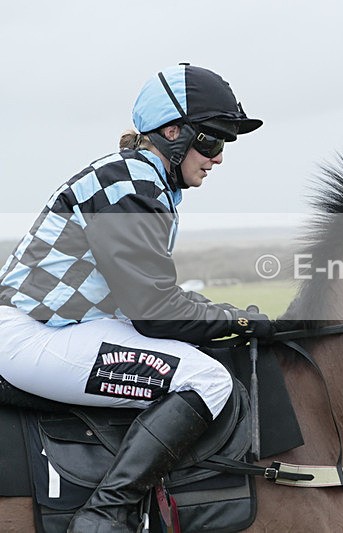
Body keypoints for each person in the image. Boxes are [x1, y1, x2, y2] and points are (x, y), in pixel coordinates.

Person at [0, 63, 275, 532]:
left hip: (64, 327)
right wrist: (242, 320)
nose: (218, 157)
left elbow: (154, 300)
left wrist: (227, 314)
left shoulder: (143, 180)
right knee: (207, 379)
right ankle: (105, 516)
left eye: (223, 144)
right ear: (171, 133)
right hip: (28, 337)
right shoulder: (131, 181)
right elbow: (156, 312)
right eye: (211, 141)